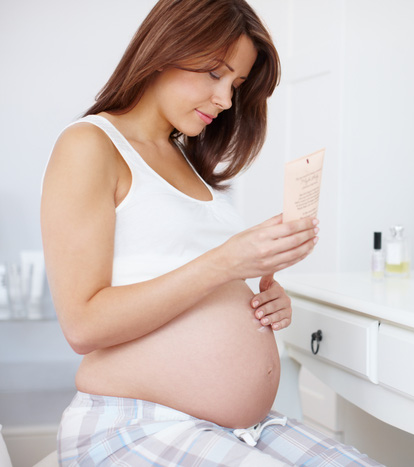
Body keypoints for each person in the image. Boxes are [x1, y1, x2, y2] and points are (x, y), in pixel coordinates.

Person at [40, 0, 382, 465]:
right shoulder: (90, 145)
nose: (225, 100)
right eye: (213, 74)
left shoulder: (188, 160)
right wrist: (226, 263)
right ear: (163, 48)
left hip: (241, 428)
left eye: (236, 85)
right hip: (137, 423)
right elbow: (82, 325)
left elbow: (187, 275)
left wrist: (257, 297)